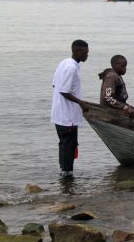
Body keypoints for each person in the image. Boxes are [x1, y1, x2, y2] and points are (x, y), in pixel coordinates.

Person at [51, 40, 90, 178]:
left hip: (59, 113)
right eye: (85, 53)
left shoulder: (64, 62)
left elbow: (55, 85)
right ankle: (67, 174)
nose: (87, 55)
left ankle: (64, 171)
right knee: (69, 145)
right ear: (77, 51)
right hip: (67, 116)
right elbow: (63, 91)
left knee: (64, 143)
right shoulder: (71, 68)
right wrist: (81, 103)